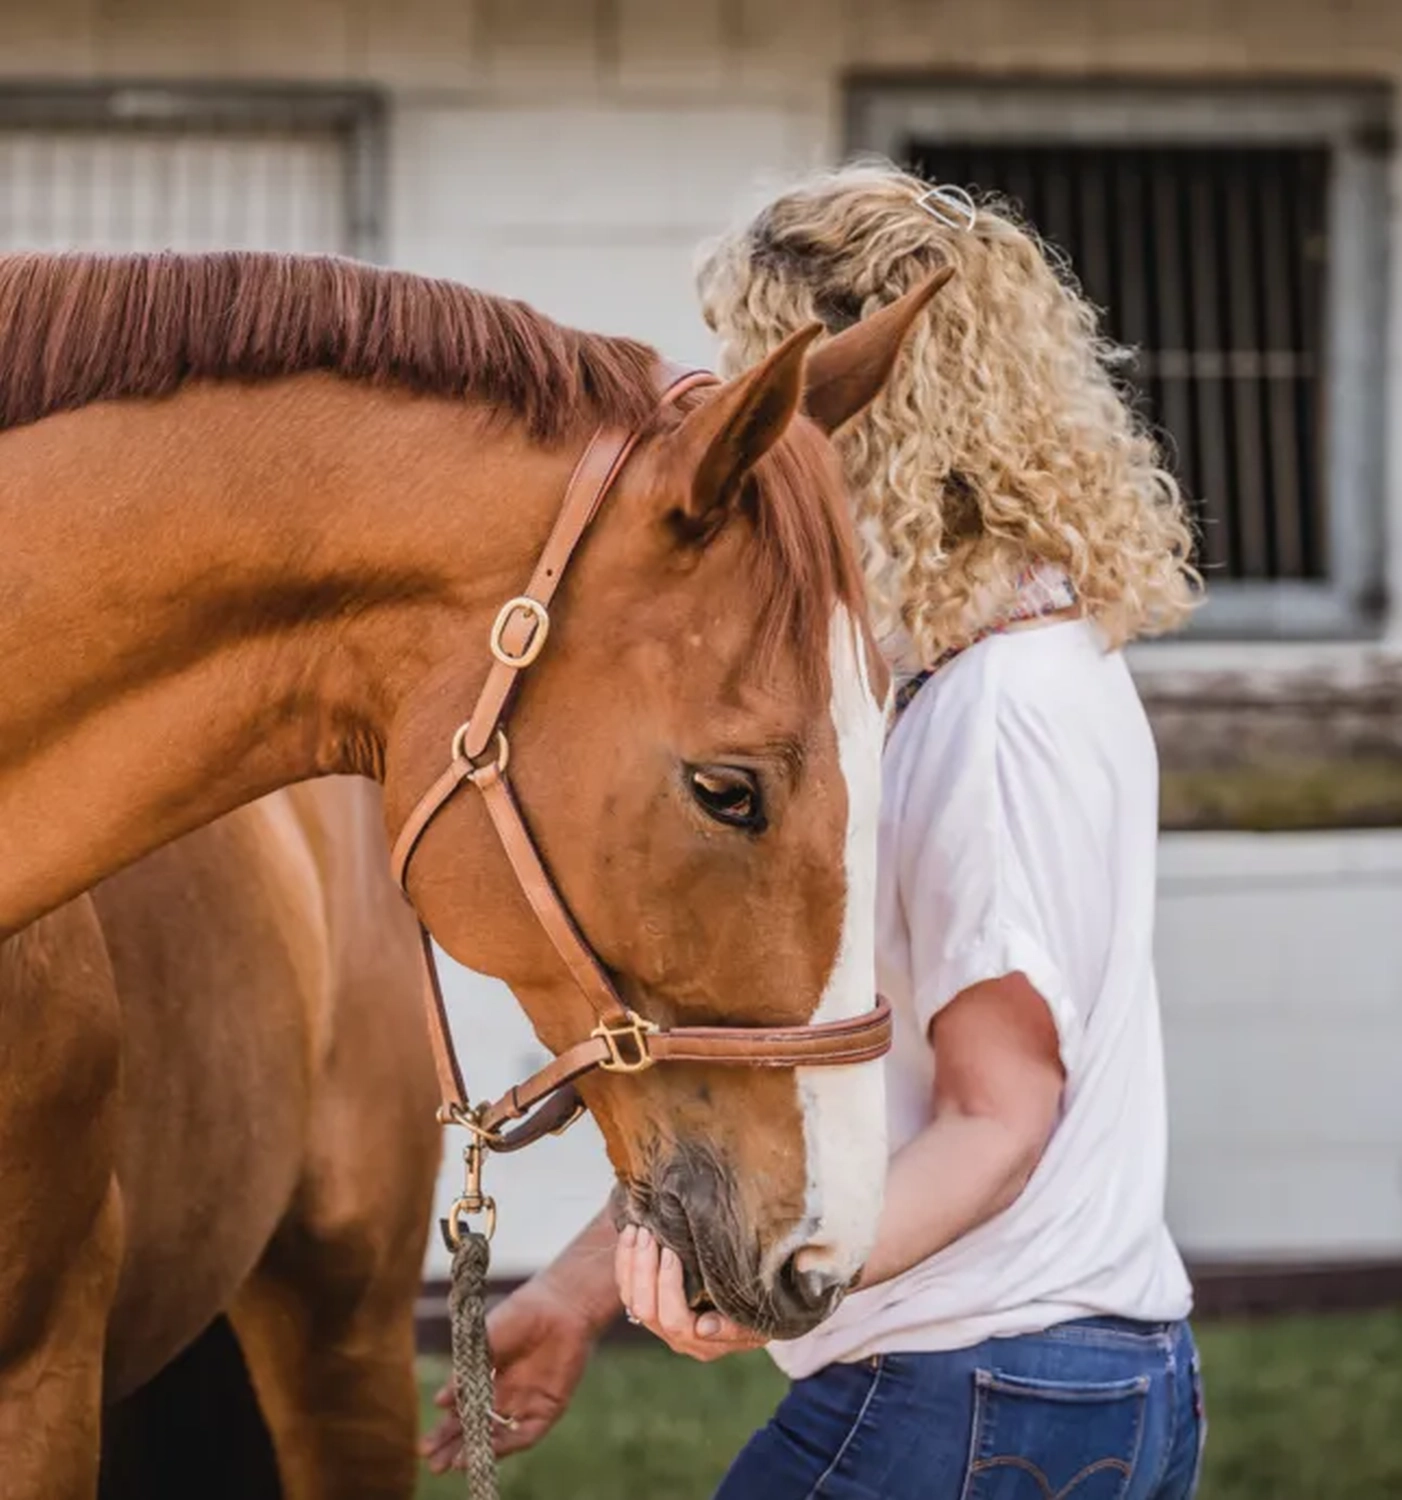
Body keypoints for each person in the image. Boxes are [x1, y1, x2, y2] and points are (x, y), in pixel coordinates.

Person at [423, 162, 1206, 1498]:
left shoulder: (996, 707)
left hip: (974, 1393)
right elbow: (809, 1063)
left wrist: (765, 1291)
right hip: (1027, 1388)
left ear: (857, 404)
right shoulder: (976, 667)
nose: (744, 418)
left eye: (754, 371)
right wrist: (571, 1295)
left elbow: (997, 1112)